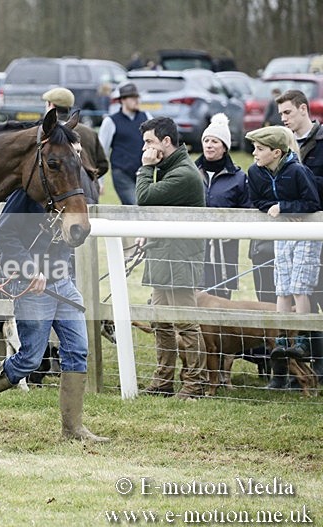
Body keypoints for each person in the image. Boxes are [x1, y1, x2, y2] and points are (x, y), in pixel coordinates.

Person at [0, 180, 109, 442]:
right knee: (29, 359)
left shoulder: (69, 192)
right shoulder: (25, 194)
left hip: (64, 282)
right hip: (31, 287)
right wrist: (29, 268)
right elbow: (3, 233)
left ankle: (73, 430)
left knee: (78, 349)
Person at [135, 116, 207, 399]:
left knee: (185, 323)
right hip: (163, 255)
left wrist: (145, 168)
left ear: (166, 141)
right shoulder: (168, 168)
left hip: (180, 258)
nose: (146, 149)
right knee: (160, 321)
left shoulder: (184, 174)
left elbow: (144, 197)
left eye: (149, 142)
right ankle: (163, 379)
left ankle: (194, 384)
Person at [245, 126, 321, 388]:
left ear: (276, 152)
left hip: (304, 234)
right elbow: (256, 200)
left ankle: (300, 339)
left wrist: (286, 207)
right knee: (282, 287)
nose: (254, 153)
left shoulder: (298, 171)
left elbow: (312, 203)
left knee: (300, 288)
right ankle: (281, 338)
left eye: (260, 149)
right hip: (281, 233)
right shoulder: (255, 172)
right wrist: (273, 209)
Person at [277, 88, 323, 380]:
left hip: (317, 229)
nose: (284, 119)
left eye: (288, 112)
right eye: (281, 114)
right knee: (290, 293)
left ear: (304, 109)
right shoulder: (281, 143)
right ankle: (293, 372)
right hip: (290, 234)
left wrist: (300, 196)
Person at [194, 113, 251, 299]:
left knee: (221, 295)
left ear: (225, 147)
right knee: (196, 293)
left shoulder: (238, 178)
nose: (209, 145)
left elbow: (246, 210)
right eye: (206, 140)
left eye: (215, 141)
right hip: (195, 243)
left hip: (224, 248)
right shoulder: (190, 173)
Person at [42, 86, 108, 200]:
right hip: (90, 193)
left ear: (50, 105)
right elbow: (103, 165)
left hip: (60, 195)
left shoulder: (44, 134)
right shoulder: (89, 132)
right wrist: (90, 178)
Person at [99, 82, 151, 205]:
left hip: (143, 173)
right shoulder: (110, 121)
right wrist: (99, 181)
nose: (137, 100)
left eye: (137, 97)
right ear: (122, 100)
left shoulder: (147, 117)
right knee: (135, 206)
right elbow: (102, 152)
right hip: (121, 173)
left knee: (146, 207)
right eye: (133, 98)